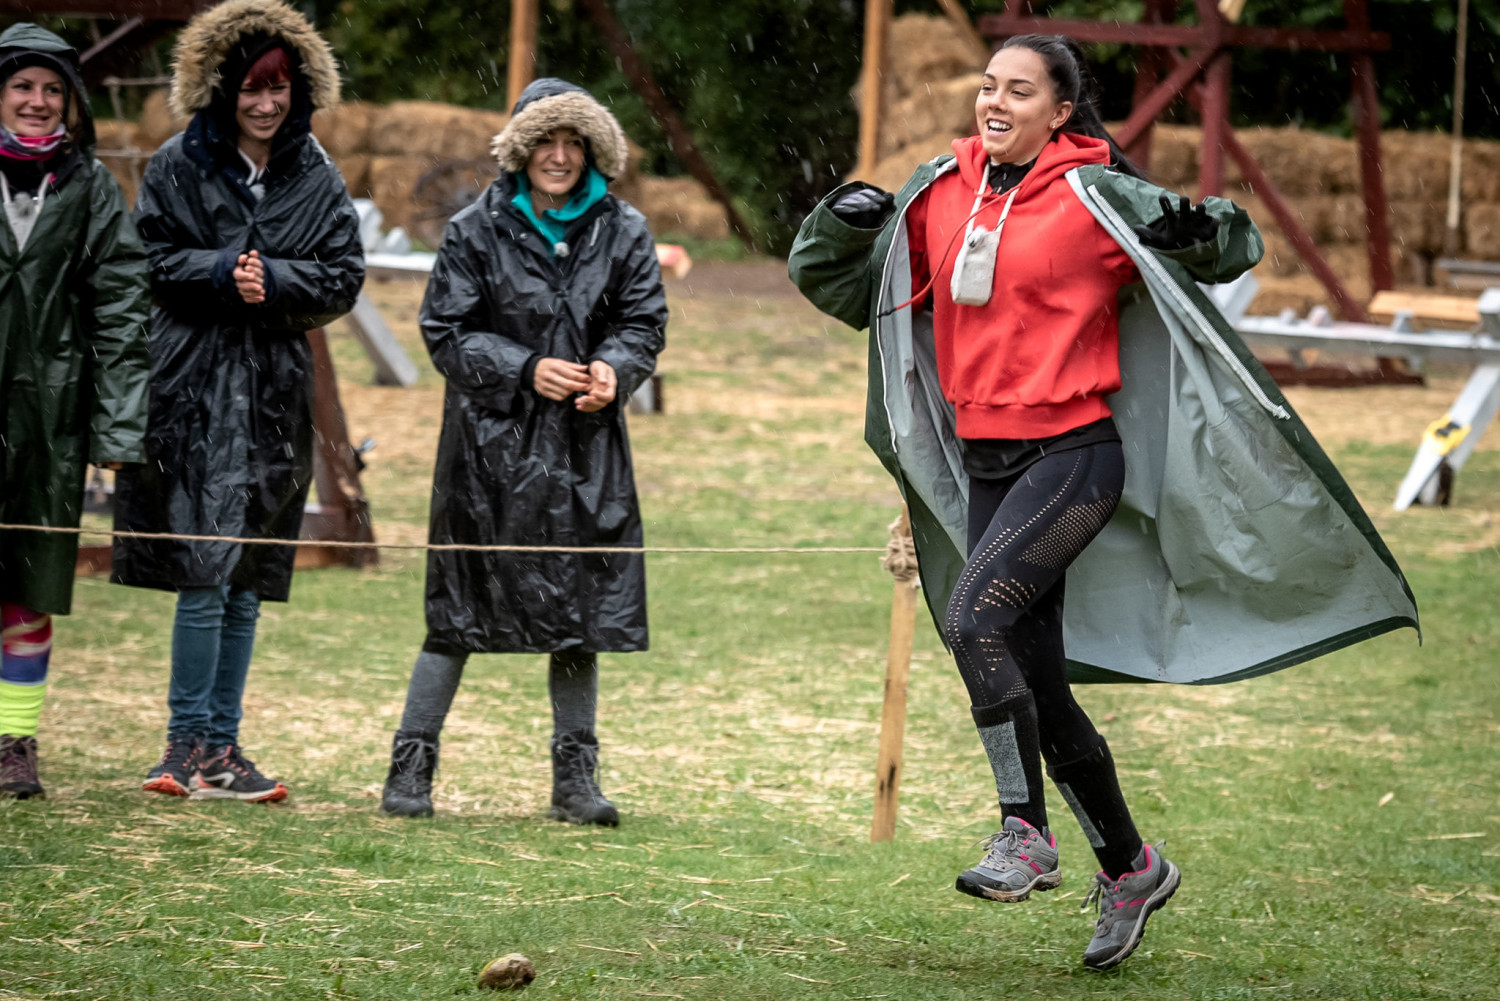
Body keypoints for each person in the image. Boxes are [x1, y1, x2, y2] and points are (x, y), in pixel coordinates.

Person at [789, 35, 1416, 971]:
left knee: (971, 619)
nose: (995, 102)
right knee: (1040, 684)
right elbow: (844, 288)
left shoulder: (1095, 195)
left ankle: (1024, 832)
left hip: (1074, 456)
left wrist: (1200, 230)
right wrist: (842, 221)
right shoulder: (941, 192)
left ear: (1060, 111)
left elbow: (1230, 247)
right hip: (986, 464)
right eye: (988, 86)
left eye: (1020, 90)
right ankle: (1131, 866)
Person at [380, 78, 667, 826]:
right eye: (547, 141)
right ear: (521, 149)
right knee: (457, 613)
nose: (561, 156)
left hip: (584, 451)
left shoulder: (624, 229)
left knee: (580, 615)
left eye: (575, 142)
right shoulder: (474, 228)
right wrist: (523, 367)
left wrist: (616, 367)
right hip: (488, 455)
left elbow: (642, 320)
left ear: (594, 149)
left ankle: (575, 783)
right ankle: (410, 770)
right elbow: (445, 331)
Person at [112, 0, 363, 803]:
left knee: (248, 570)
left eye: (278, 87)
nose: (265, 103)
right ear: (223, 89)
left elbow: (342, 275)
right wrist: (223, 270)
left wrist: (277, 281)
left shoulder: (317, 173)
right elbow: (148, 259)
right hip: (190, 384)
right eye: (251, 87)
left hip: (273, 392)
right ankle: (183, 743)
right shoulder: (177, 163)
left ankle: (222, 746)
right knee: (204, 565)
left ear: (298, 90)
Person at [0, 24, 150, 800]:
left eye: (52, 89)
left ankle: (14, 742)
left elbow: (122, 306)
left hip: (51, 421)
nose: (37, 100)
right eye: (22, 85)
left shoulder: (90, 187)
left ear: (72, 102)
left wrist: (118, 428)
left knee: (28, 586)